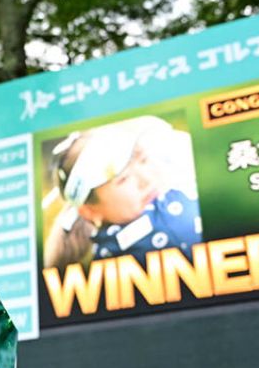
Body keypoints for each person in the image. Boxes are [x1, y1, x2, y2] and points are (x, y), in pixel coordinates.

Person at [43, 115, 203, 269]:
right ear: (89, 211)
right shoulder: (116, 264)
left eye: (143, 160)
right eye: (123, 179)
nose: (146, 180)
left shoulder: (173, 189)